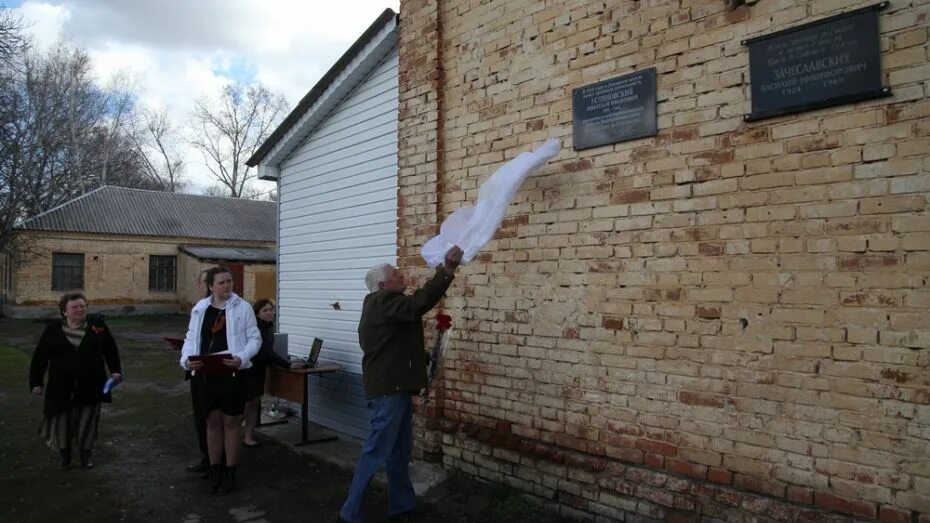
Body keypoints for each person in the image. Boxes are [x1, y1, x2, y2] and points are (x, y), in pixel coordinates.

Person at [339, 245, 463, 523]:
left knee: (399, 450)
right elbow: (418, 304)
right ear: (382, 285)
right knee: (376, 451)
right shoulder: (382, 301)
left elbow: (394, 345)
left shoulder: (385, 306)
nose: (401, 275)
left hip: (396, 390)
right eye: (396, 274)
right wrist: (447, 271)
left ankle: (403, 506)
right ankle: (350, 513)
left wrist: (424, 357)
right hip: (388, 393)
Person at [180, 266, 260, 493]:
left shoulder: (242, 307)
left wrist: (241, 357)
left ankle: (230, 470)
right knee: (212, 422)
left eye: (229, 281)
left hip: (231, 373)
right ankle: (214, 467)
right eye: (222, 282)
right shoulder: (200, 308)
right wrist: (186, 360)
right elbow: (191, 337)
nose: (227, 286)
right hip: (206, 374)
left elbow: (254, 339)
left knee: (231, 422)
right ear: (211, 286)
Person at [29, 293, 122, 470]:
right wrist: (36, 382)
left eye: (83, 306)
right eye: (75, 307)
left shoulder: (98, 326)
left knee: (88, 421)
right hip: (61, 385)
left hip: (92, 383)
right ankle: (65, 456)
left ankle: (86, 455)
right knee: (62, 421)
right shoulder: (52, 330)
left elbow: (110, 349)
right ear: (64, 312)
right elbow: (40, 358)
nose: (80, 309)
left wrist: (116, 371)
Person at [242, 299, 301, 447]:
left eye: (271, 309)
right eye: (265, 310)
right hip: (250, 371)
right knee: (246, 405)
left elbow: (270, 352)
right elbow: (266, 352)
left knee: (255, 405)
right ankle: (232, 435)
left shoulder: (268, 328)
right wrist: (287, 364)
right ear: (257, 314)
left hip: (260, 370)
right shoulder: (256, 329)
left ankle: (248, 437)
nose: (269, 313)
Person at [185, 269, 211, 475]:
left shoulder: (230, 309)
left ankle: (217, 460)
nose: (207, 286)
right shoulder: (199, 309)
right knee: (201, 418)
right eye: (204, 282)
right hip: (197, 372)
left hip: (215, 373)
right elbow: (192, 338)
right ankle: (207, 457)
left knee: (214, 420)